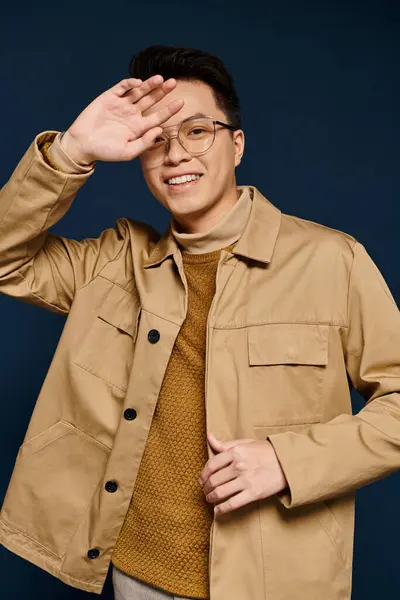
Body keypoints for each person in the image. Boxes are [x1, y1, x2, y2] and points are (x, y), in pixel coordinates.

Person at [0, 45, 399, 600]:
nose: (175, 155)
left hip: (276, 582)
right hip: (136, 572)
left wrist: (289, 460)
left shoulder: (333, 261)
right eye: (156, 140)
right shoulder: (113, 262)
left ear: (236, 143)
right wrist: (70, 151)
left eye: (196, 131)